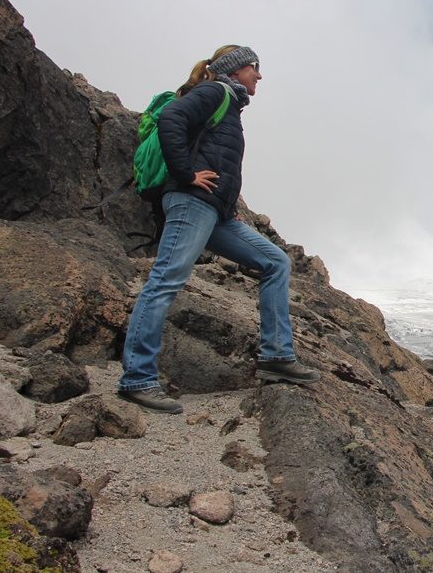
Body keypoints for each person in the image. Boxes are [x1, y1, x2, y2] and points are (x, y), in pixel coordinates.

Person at [118, 44, 319, 414]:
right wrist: (185, 175)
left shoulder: (228, 103)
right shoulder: (217, 91)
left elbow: (215, 155)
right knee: (165, 280)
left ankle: (276, 358)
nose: (259, 75)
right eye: (255, 67)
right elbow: (171, 120)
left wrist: (227, 208)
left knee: (275, 262)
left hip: (215, 212)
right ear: (237, 68)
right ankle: (137, 379)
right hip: (191, 202)